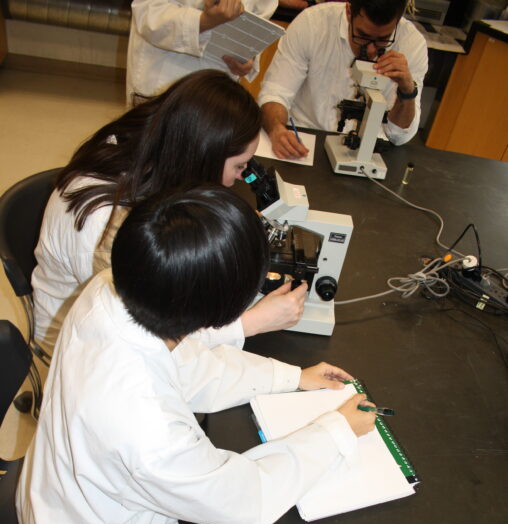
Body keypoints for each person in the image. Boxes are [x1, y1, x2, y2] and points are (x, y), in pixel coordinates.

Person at [17, 186, 376, 524]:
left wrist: (292, 378)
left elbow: (188, 364)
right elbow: (243, 499)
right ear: (218, 309)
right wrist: (335, 430)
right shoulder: (144, 427)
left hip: (68, 496)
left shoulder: (112, 286)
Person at [32, 69, 307, 354]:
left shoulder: (151, 151)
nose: (240, 179)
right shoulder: (105, 225)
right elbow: (145, 335)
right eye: (239, 167)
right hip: (78, 351)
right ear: (203, 154)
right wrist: (251, 322)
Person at [259, 0, 428, 159]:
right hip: (306, 140)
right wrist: (276, 130)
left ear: (398, 21)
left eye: (382, 40)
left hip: (370, 150)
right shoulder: (312, 24)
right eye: (362, 35)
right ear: (348, 11)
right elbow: (275, 93)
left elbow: (399, 136)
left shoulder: (412, 44)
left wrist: (407, 90)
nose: (370, 50)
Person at [126, 0, 308, 103]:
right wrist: (205, 20)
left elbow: (258, 15)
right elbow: (148, 15)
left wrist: (246, 58)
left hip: (217, 85)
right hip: (163, 79)